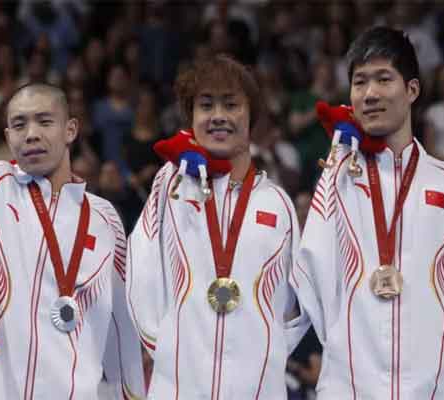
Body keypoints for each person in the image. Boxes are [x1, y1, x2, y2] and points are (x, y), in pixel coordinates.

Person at [293, 27, 444, 399]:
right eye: (360, 82)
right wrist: (342, 343)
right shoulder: (336, 177)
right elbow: (308, 271)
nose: (370, 94)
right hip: (349, 385)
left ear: (412, 90)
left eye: (383, 79)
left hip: (429, 386)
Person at [127, 54, 309, 399]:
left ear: (251, 115)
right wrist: (167, 351)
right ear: (190, 118)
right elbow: (140, 270)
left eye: (231, 104)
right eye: (206, 105)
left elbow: (294, 307)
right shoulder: (172, 186)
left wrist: (265, 359)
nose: (219, 116)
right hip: (178, 386)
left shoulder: (278, 203)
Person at [0, 83, 145, 399]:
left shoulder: (104, 217)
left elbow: (119, 321)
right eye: (19, 124)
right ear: (7, 138)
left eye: (44, 121)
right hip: (4, 391)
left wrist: (131, 392)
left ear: (70, 130)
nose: (30, 134)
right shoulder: (0, 190)